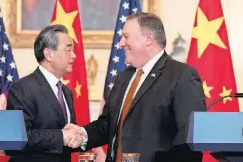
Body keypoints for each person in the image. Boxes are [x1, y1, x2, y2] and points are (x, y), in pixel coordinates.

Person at [64, 13, 206, 162]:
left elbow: (189, 138)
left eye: (126, 36)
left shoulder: (181, 75)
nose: (120, 43)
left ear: (148, 39)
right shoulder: (123, 78)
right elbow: (108, 124)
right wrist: (82, 134)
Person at [6, 24, 84, 162]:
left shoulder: (65, 91)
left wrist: (77, 137)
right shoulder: (22, 88)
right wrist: (62, 135)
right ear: (48, 54)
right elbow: (19, 137)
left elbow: (68, 138)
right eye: (68, 49)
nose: (74, 55)